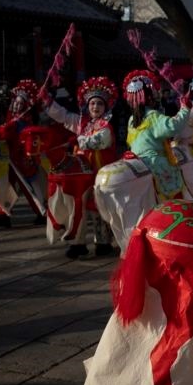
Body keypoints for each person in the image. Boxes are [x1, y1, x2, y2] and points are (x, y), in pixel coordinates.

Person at [39, 76, 118, 258]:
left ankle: (103, 243)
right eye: (92, 104)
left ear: (105, 106)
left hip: (100, 174)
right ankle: (78, 243)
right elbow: (64, 116)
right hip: (80, 174)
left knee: (98, 209)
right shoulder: (82, 123)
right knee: (77, 208)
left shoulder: (106, 125)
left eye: (99, 104)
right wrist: (47, 100)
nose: (95, 107)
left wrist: (81, 140)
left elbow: (101, 140)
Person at [0, 79, 47, 227]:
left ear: (26, 105)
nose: (18, 105)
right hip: (10, 157)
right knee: (5, 184)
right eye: (16, 102)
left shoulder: (22, 120)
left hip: (22, 159)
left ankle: (42, 212)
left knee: (29, 186)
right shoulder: (15, 118)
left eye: (21, 103)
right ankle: (3, 215)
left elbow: (5, 131)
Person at [123, 70, 192, 200]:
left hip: (136, 160)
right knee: (176, 187)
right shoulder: (152, 116)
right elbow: (172, 126)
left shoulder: (132, 119)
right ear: (149, 97)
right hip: (154, 161)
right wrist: (185, 108)